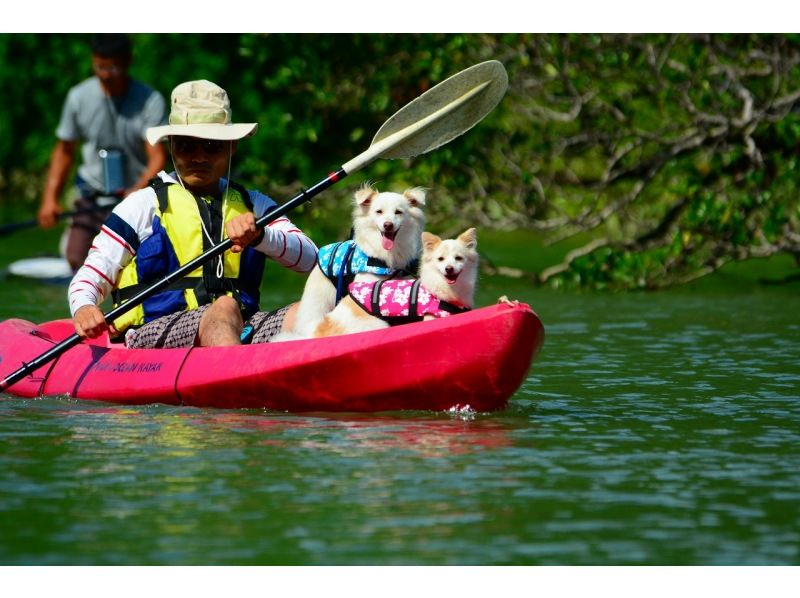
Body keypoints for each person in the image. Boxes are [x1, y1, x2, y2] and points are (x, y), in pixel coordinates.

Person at [68, 79, 317, 348]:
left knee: (311, 312)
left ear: (232, 146)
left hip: (241, 326)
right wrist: (84, 307)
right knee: (224, 307)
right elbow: (90, 275)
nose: (198, 157)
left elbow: (310, 259)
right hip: (153, 333)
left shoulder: (254, 205)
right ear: (172, 146)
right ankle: (236, 381)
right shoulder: (141, 205)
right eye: (186, 145)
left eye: (211, 145)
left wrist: (261, 237)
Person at [38, 33, 168, 271]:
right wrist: (50, 199)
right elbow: (64, 151)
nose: (106, 74)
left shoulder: (150, 100)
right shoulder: (78, 97)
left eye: (114, 67)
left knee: (140, 264)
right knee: (76, 260)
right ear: (92, 61)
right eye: (100, 66)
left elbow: (158, 156)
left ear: (128, 61)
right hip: (92, 197)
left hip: (135, 197)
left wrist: (136, 191)